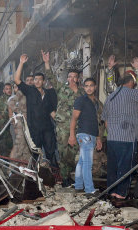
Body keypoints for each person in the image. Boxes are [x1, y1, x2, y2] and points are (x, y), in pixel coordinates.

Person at [42, 49, 83, 187]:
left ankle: (72, 175)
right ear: (67, 78)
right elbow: (51, 77)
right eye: (69, 76)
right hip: (62, 127)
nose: (71, 79)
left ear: (78, 79)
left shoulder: (82, 92)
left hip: (77, 127)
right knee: (63, 152)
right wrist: (47, 62)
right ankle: (65, 178)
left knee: (74, 153)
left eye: (74, 77)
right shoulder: (61, 89)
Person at [14, 54, 59, 171]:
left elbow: (52, 111)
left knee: (51, 153)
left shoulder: (49, 93)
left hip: (48, 129)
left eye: (40, 79)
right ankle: (35, 177)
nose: (37, 81)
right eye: (35, 79)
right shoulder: (30, 91)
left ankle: (54, 176)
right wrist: (21, 63)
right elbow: (17, 80)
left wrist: (47, 62)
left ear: (43, 81)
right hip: (34, 129)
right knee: (35, 155)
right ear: (33, 81)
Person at [68, 78, 104, 197]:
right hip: (84, 134)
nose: (89, 88)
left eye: (91, 85)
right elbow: (74, 118)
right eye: (86, 86)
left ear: (95, 87)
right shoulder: (81, 100)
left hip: (92, 135)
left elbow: (97, 121)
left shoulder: (96, 102)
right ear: (83, 87)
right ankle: (89, 189)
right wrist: (72, 135)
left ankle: (79, 185)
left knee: (82, 162)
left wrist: (98, 138)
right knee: (88, 163)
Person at [7, 84, 31, 164]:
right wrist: (15, 126)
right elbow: (11, 115)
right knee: (16, 147)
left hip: (26, 126)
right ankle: (11, 168)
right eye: (15, 87)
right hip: (17, 126)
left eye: (18, 87)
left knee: (25, 148)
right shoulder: (13, 98)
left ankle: (23, 167)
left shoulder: (26, 97)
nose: (17, 89)